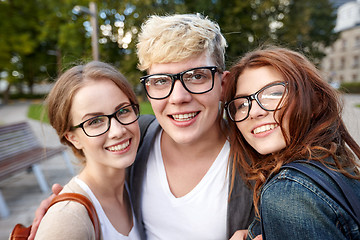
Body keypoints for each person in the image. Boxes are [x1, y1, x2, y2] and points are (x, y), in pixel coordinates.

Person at [29, 13, 255, 240]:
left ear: (223, 85)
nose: (178, 97)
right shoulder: (139, 137)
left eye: (196, 76)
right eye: (160, 81)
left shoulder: (258, 161)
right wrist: (65, 214)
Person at [223, 46, 360, 240]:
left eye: (274, 93)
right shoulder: (336, 166)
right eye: (242, 104)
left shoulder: (288, 192)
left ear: (316, 102)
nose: (254, 112)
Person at [34, 61, 142, 239]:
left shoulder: (134, 181)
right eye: (94, 121)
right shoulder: (68, 220)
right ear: (73, 138)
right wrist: (62, 214)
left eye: (123, 111)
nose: (118, 131)